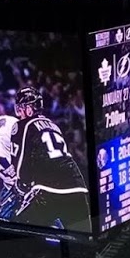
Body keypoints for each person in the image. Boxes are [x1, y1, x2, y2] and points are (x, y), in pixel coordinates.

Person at [9, 86, 89, 229]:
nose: (19, 112)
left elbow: (20, 161)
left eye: (20, 108)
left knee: (18, 228)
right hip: (77, 187)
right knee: (83, 240)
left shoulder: (23, 125)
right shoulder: (54, 125)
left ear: (28, 109)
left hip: (49, 189)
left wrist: (22, 184)